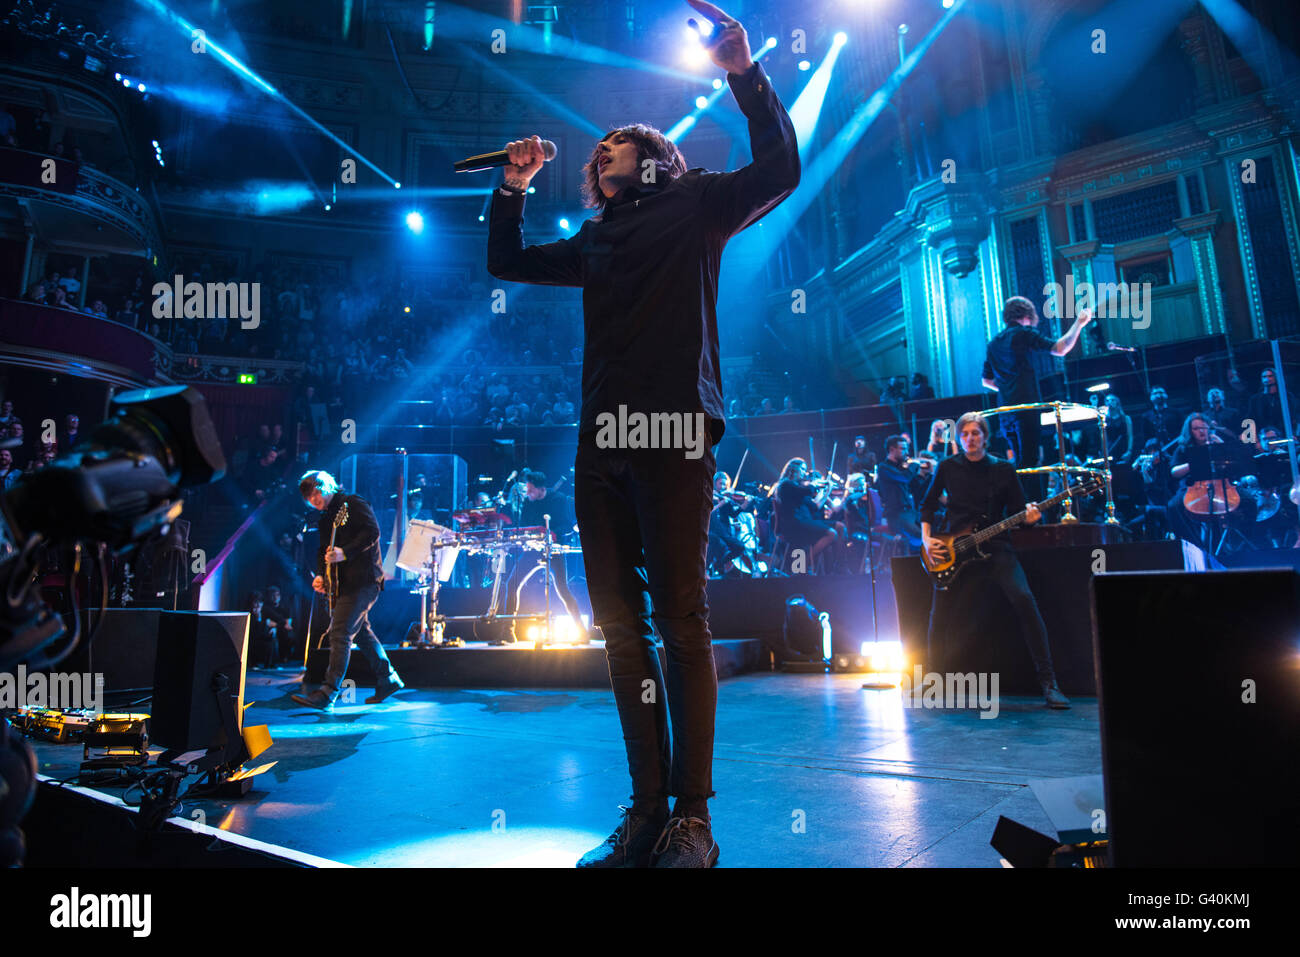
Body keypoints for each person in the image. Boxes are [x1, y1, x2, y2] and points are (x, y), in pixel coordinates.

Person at [485, 0, 798, 868]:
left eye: (617, 143)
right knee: (622, 632)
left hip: (672, 435)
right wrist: (510, 188)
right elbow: (507, 261)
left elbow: (780, 165)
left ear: (655, 156)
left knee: (683, 624)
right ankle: (647, 809)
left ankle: (694, 820)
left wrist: (743, 71)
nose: (601, 152)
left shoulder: (698, 202)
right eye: (598, 152)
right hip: (601, 448)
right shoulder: (597, 236)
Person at [919, 412, 1071, 709]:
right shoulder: (947, 467)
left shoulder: (1003, 469)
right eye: (965, 434)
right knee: (940, 615)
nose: (970, 439)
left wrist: (1031, 517)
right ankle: (932, 681)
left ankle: (1049, 683)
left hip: (997, 546)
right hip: (955, 550)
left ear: (985, 437)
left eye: (975, 433)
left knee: (1024, 599)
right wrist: (927, 539)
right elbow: (926, 505)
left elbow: (1019, 514)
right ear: (959, 438)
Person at [290, 470, 404, 710]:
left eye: (316, 493)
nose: (314, 500)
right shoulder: (324, 518)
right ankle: (388, 678)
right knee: (361, 632)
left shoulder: (352, 503)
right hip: (342, 584)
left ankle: (328, 692)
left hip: (364, 581)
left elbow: (372, 532)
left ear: (327, 486)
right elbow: (323, 551)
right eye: (310, 498)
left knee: (340, 633)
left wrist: (345, 552)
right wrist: (321, 575)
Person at [981, 296, 1093, 486]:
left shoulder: (993, 343)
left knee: (1019, 463)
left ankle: (1020, 510)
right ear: (1028, 314)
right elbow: (1060, 348)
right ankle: (1031, 512)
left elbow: (986, 380)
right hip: (1026, 408)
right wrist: (1079, 323)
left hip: (1005, 411)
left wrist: (1009, 387)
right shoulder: (1024, 333)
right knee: (1030, 464)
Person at [502, 469, 589, 642]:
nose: (528, 493)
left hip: (554, 549)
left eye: (531, 490)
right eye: (527, 490)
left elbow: (566, 525)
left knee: (562, 589)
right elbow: (526, 525)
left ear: (542, 489)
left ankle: (582, 633)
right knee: (511, 584)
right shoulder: (528, 503)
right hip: (533, 549)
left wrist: (552, 534)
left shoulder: (559, 499)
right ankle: (508, 632)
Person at [875, 435, 923, 550]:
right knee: (920, 536)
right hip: (896, 515)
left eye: (907, 449)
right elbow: (904, 477)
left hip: (909, 512)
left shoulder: (902, 468)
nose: (906, 452)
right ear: (892, 449)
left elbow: (917, 487)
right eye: (903, 449)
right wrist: (914, 465)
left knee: (934, 526)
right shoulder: (884, 467)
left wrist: (925, 475)